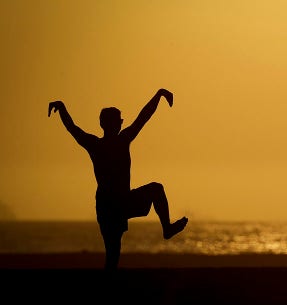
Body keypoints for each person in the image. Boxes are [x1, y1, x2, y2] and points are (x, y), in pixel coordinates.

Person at [48, 88, 188, 271]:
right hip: (110, 206)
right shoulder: (110, 142)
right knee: (113, 254)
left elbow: (73, 128)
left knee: (155, 189)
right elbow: (141, 118)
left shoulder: (101, 143)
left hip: (121, 201)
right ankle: (167, 229)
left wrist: (62, 107)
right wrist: (159, 95)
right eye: (119, 121)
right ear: (112, 124)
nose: (121, 123)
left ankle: (167, 228)